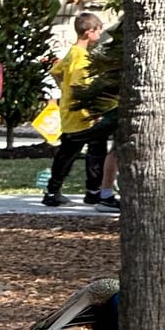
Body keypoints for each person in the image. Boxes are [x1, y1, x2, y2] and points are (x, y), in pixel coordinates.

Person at [44, 13, 113, 207]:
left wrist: (63, 91)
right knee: (95, 150)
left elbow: (56, 72)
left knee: (67, 153)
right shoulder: (81, 58)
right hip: (82, 116)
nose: (100, 32)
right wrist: (94, 111)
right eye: (98, 29)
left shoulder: (72, 52)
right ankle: (92, 190)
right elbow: (79, 86)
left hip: (70, 112)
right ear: (89, 32)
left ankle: (53, 191)